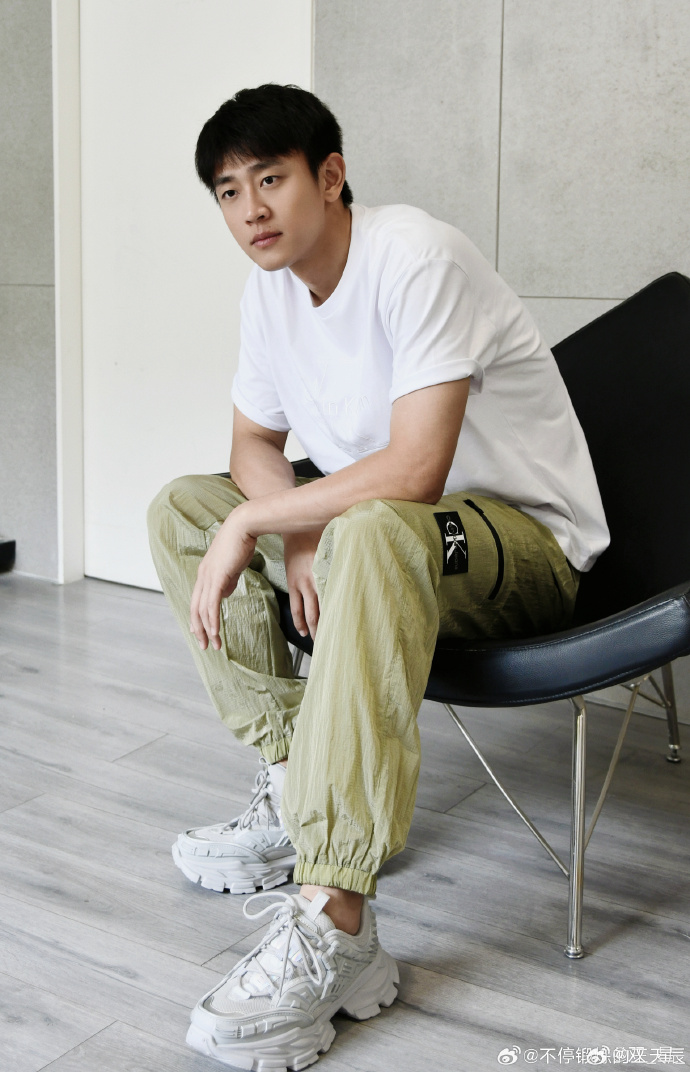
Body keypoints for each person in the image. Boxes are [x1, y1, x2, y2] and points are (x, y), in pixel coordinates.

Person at [147, 83, 609, 1069]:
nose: (251, 210)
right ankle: (296, 788)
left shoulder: (415, 256)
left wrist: (274, 519)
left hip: (524, 546)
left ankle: (340, 917)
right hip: (385, 532)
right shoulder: (270, 294)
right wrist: (293, 532)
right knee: (186, 509)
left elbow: (417, 470)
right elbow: (251, 444)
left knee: (362, 530)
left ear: (331, 176)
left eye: (270, 179)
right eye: (228, 192)